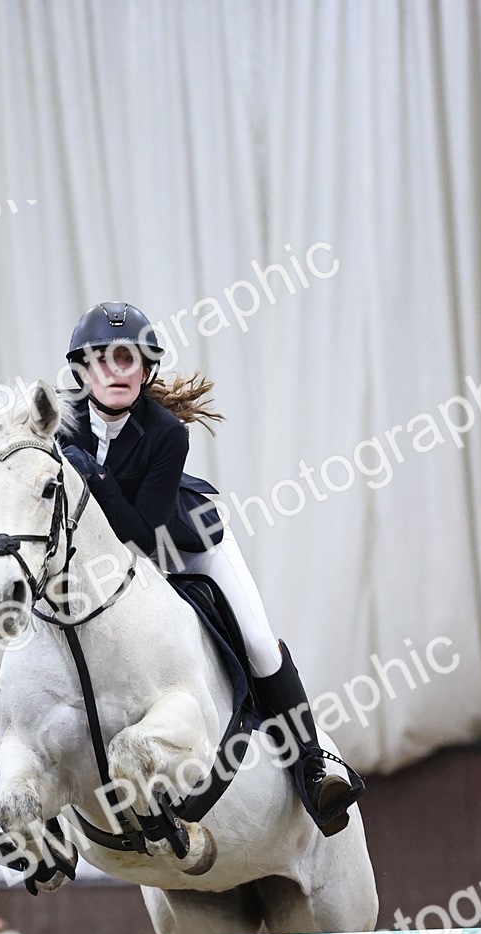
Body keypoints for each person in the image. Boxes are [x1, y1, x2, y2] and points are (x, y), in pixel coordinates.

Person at [57, 301, 363, 836]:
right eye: (104, 359)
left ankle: (314, 765)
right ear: (82, 370)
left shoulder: (166, 433)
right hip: (111, 567)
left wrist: (96, 478)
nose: (117, 370)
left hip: (185, 545)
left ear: (146, 371)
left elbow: (141, 531)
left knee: (260, 644)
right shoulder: (63, 427)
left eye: (130, 359)